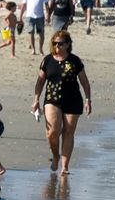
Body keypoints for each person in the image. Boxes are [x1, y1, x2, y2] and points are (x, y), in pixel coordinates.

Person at [31, 30, 91, 174]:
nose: (57, 46)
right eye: (55, 43)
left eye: (60, 43)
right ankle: (55, 156)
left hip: (73, 100)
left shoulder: (75, 61)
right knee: (52, 132)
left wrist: (88, 99)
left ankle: (65, 166)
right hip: (52, 99)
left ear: (68, 44)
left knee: (68, 132)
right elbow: (40, 82)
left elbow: (84, 82)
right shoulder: (47, 60)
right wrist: (36, 100)